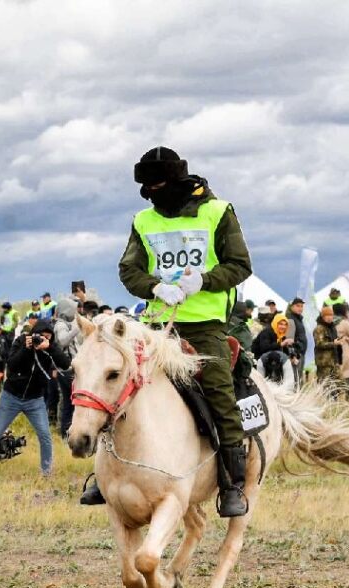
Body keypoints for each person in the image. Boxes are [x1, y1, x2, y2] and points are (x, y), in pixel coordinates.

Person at [95, 145, 252, 516]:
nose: (151, 194)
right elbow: (128, 270)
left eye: (157, 187)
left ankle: (232, 483)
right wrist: (154, 287)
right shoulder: (143, 220)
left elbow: (240, 265)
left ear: (176, 181)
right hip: (157, 325)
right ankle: (103, 475)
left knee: (219, 392)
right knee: (115, 383)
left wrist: (205, 280)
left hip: (205, 325)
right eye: (146, 189)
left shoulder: (218, 212)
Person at [0, 319, 67, 481]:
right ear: (33, 334)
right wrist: (26, 349)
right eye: (41, 336)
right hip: (11, 397)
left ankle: (47, 474)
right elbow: (12, 365)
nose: (42, 340)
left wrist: (50, 347)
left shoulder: (50, 347)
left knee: (45, 435)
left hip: (35, 399)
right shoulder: (21, 341)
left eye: (48, 337)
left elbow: (65, 363)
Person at [52, 298, 82, 438]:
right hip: (66, 370)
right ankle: (66, 432)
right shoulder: (60, 325)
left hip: (66, 369)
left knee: (68, 402)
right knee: (71, 402)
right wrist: (77, 328)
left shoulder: (64, 324)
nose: (74, 313)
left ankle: (66, 432)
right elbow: (63, 341)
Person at [313, 305, 341, 386]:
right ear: (322, 317)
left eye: (331, 315)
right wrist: (333, 343)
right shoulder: (319, 329)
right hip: (324, 363)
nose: (329, 317)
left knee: (339, 386)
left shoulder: (332, 328)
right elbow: (319, 344)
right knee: (325, 386)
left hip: (334, 362)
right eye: (327, 315)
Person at [286, 297, 309, 386]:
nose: (300, 308)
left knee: (298, 378)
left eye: (301, 306)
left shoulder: (298, 319)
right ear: (292, 307)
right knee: (295, 380)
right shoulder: (290, 319)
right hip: (296, 354)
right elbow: (289, 340)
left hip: (300, 352)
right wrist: (292, 355)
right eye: (298, 306)